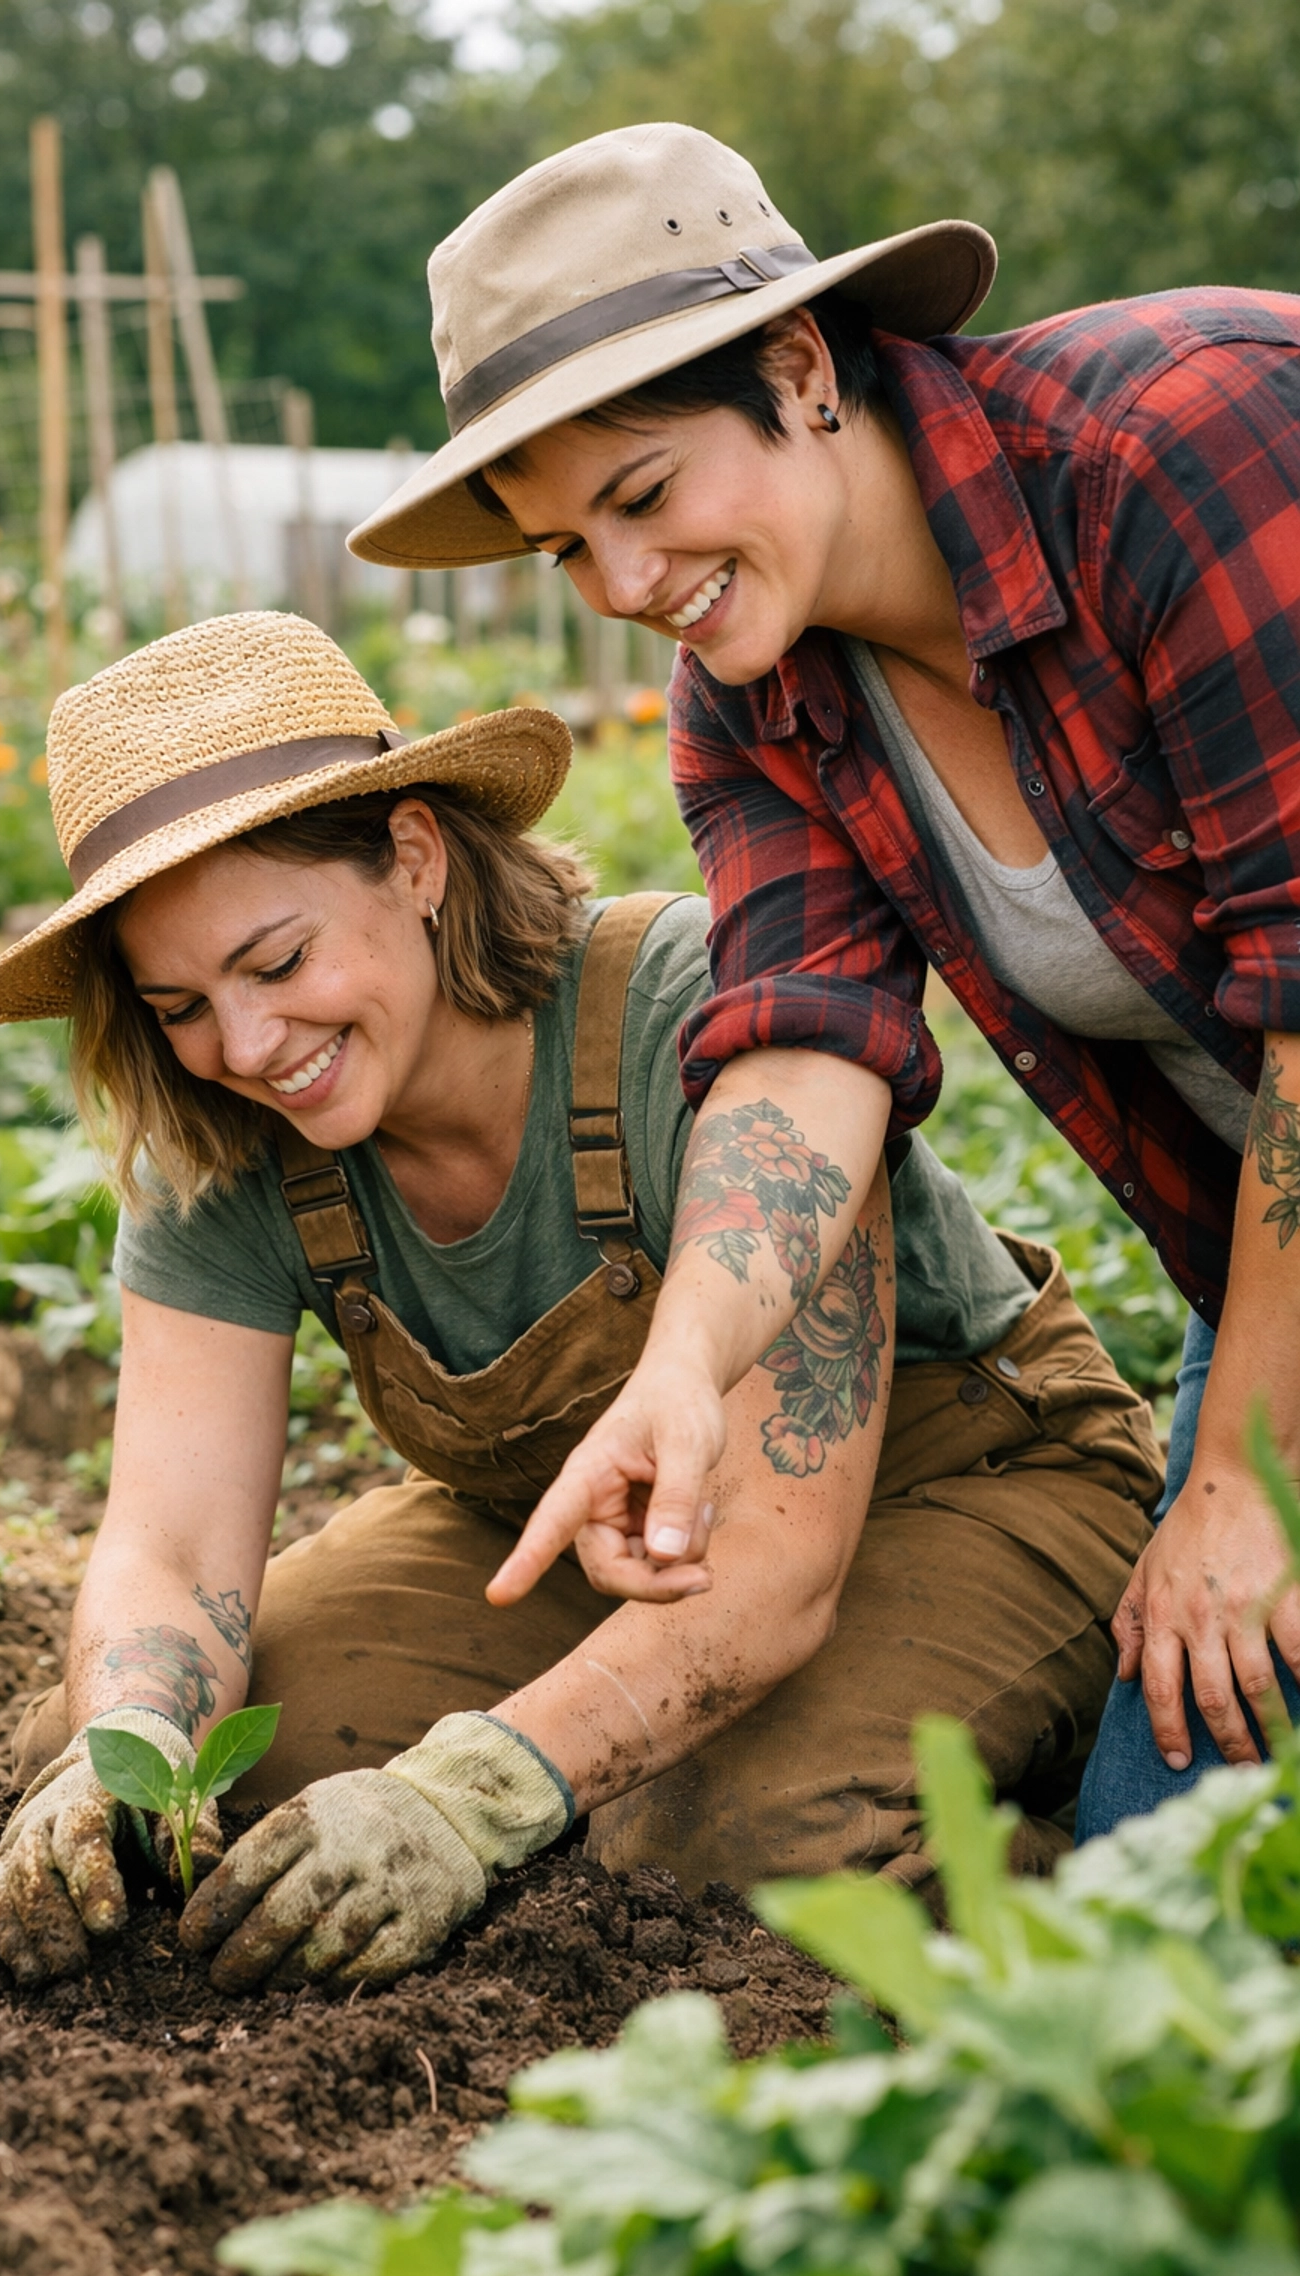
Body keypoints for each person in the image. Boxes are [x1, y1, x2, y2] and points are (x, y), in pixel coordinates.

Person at [0, 611, 1156, 1990]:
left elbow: (771, 1564)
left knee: (720, 1836)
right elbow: (168, 1547)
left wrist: (464, 1796)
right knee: (135, 1760)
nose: (242, 1047)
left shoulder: (696, 1015)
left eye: (278, 964)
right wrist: (136, 1749)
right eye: (176, 1005)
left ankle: (1116, 1882)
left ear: (413, 860)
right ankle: (673, 1735)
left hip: (959, 1487)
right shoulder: (224, 1144)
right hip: (568, 1552)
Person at [348, 121, 1300, 1838]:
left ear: (802, 369)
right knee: (1168, 1895)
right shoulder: (762, 697)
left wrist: (1237, 1474)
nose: (627, 586)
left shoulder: (1178, 448)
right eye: (567, 547)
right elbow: (804, 1053)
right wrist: (683, 1367)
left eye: (640, 495)